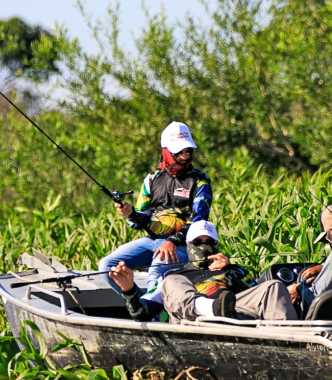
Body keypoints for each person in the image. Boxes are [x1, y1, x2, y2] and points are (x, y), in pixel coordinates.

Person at [98, 121, 212, 295]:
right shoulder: (151, 179)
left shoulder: (200, 180)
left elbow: (199, 222)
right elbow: (140, 221)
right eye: (178, 152)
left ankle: (153, 317)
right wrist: (130, 214)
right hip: (152, 241)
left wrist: (171, 241)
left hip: (184, 245)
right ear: (165, 151)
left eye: (188, 151)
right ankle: (139, 305)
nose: (184, 156)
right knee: (107, 266)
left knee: (158, 267)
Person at [108, 221, 297, 323]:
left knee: (273, 285)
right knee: (172, 281)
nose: (204, 246)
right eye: (198, 243)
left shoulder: (232, 269)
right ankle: (211, 308)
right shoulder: (173, 275)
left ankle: (291, 345)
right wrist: (128, 289)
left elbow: (257, 292)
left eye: (210, 242)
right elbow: (142, 314)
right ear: (189, 246)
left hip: (234, 314)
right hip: (195, 322)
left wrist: (232, 270)